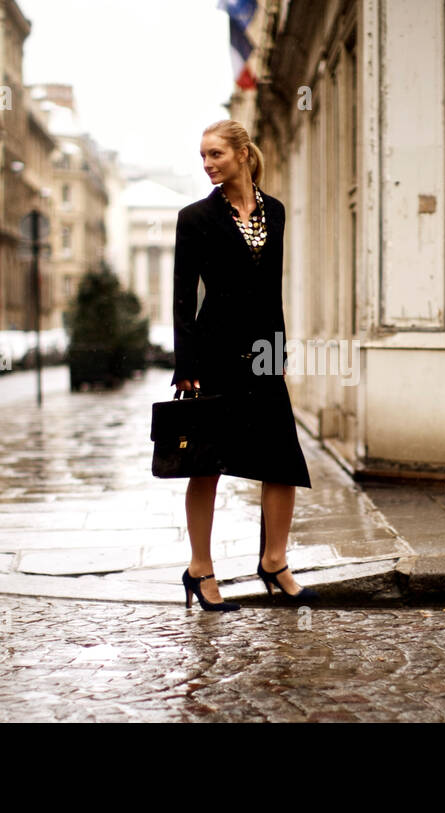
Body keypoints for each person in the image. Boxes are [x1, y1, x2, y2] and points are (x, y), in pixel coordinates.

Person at [171, 119, 318, 612]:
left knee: (282, 459)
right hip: (214, 355)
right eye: (203, 156)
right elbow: (182, 297)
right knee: (205, 464)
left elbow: (271, 289)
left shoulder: (273, 212)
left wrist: (276, 353)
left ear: (241, 153)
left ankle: (274, 562)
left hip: (262, 354)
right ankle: (200, 569)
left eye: (215, 154)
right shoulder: (194, 218)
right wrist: (185, 362)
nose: (208, 163)